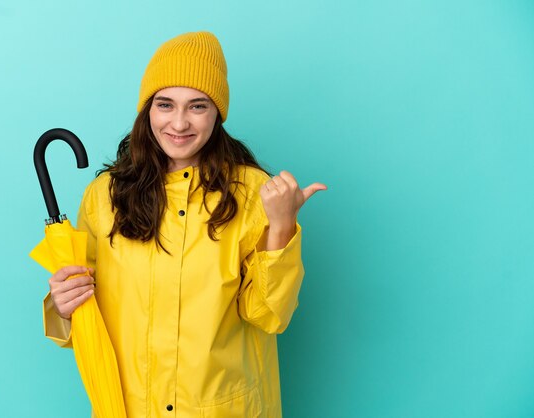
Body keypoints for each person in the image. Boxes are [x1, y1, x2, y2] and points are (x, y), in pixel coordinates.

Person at [42, 31, 326, 418]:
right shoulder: (104, 195)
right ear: (147, 110)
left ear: (217, 113)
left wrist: (281, 226)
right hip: (130, 407)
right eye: (165, 104)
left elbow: (269, 315)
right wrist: (62, 305)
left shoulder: (252, 192)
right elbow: (87, 317)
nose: (179, 123)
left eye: (197, 106)